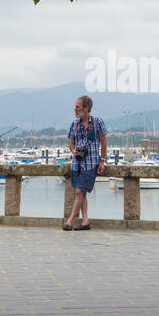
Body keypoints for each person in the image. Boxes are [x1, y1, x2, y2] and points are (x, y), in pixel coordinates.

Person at [66, 95, 107, 230]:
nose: (75, 109)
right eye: (75, 107)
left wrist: (102, 160)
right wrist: (73, 151)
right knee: (81, 193)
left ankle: (70, 221)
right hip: (76, 163)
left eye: (77, 107)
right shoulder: (74, 124)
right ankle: (85, 222)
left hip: (90, 163)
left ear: (86, 108)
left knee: (78, 192)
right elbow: (71, 143)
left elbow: (104, 142)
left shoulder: (97, 122)